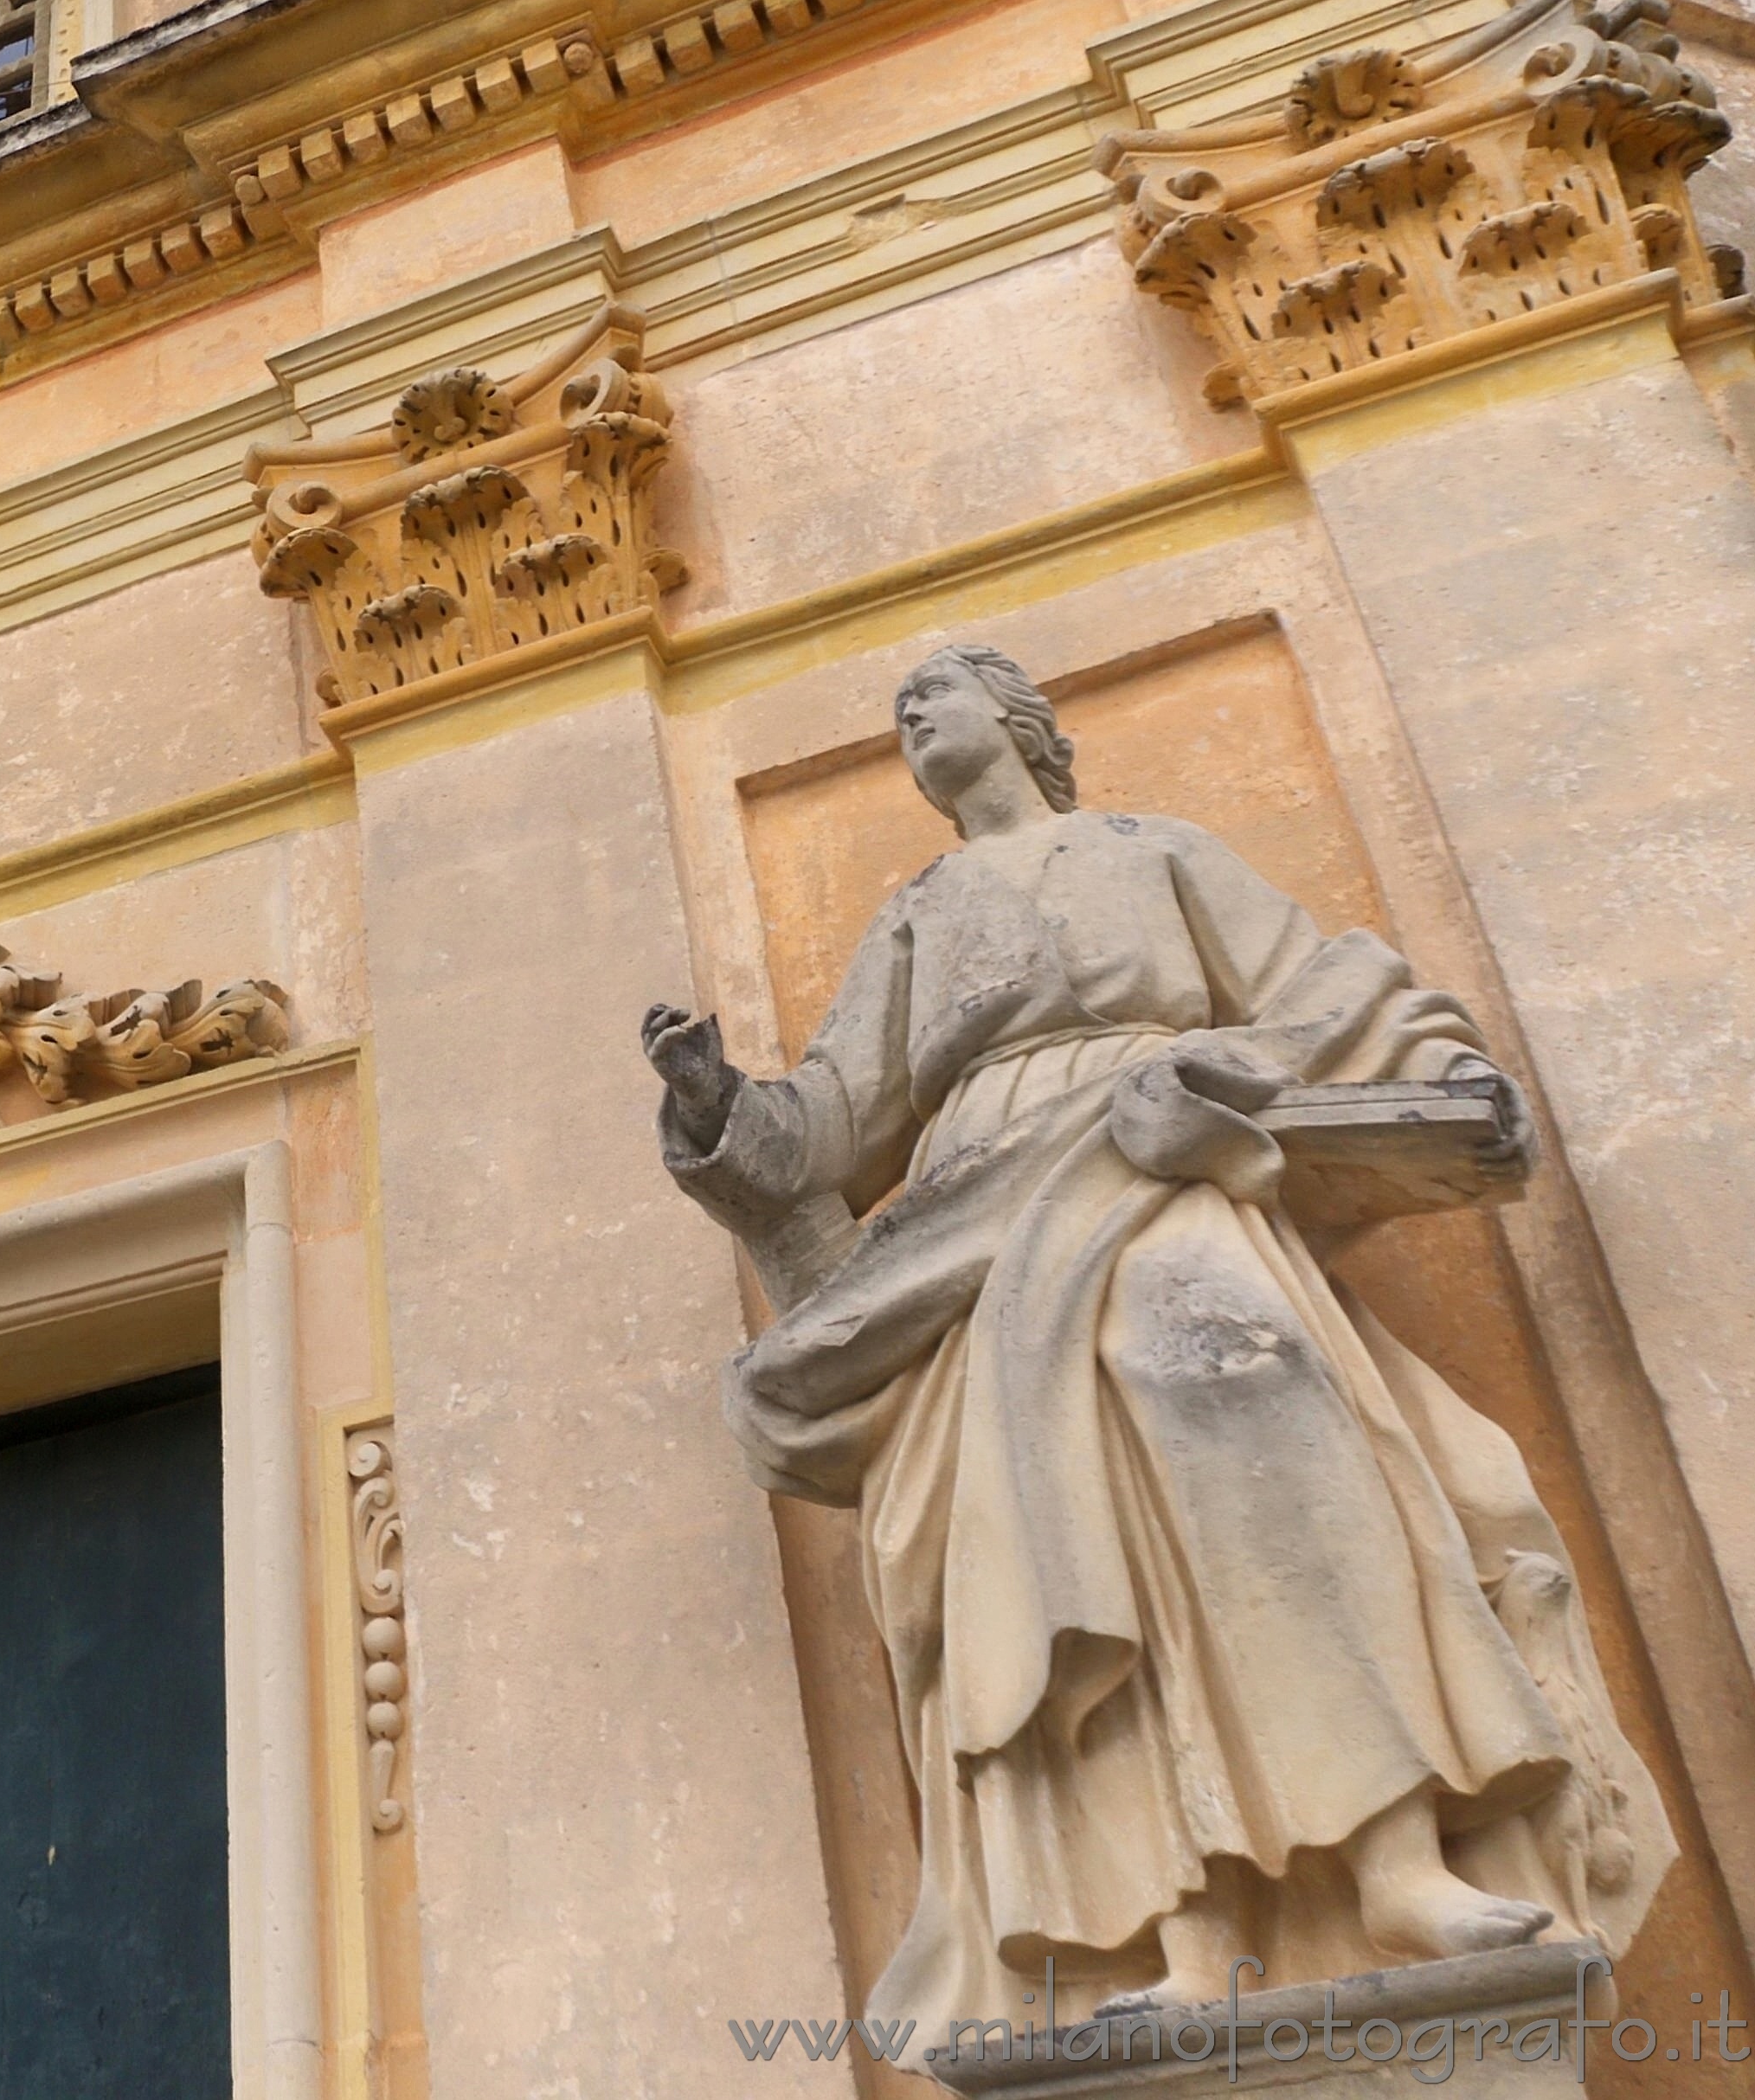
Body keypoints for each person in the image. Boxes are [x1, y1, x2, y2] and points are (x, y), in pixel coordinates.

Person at [641, 644, 1667, 2021]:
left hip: (1160, 1155)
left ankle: (1397, 1860)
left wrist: (1434, 1073)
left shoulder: (1153, 850)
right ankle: (1181, 1931)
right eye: (896, 712)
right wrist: (715, 1108)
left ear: (1014, 721)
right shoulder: (919, 910)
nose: (907, 719)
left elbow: (1316, 987)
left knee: (1258, 1412)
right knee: (1066, 1537)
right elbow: (833, 1118)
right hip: (984, 1226)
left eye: (931, 696)